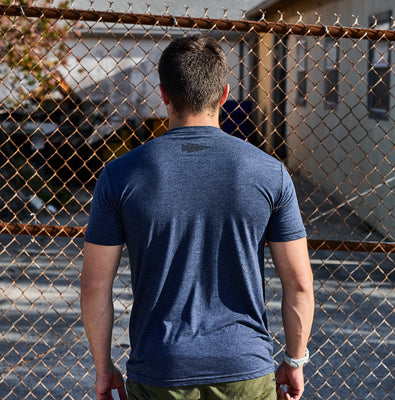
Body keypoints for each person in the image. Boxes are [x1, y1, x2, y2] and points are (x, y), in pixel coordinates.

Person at [81, 34, 314, 400]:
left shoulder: (119, 175)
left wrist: (104, 368)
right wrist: (295, 360)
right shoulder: (270, 173)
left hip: (159, 370)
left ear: (163, 95)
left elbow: (95, 286)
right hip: (245, 370)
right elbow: (299, 284)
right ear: (223, 95)